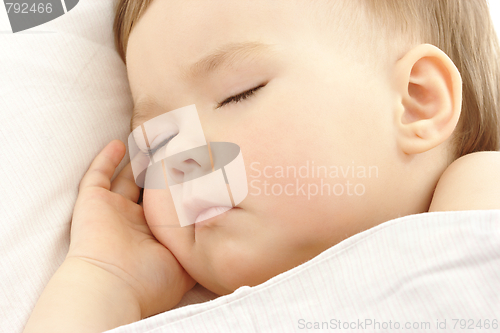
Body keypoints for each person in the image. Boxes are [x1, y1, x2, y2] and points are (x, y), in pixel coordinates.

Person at [23, 0, 500, 332]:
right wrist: (106, 277)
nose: (182, 161)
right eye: (157, 142)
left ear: (418, 102)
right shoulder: (180, 309)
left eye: (239, 92)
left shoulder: (475, 204)